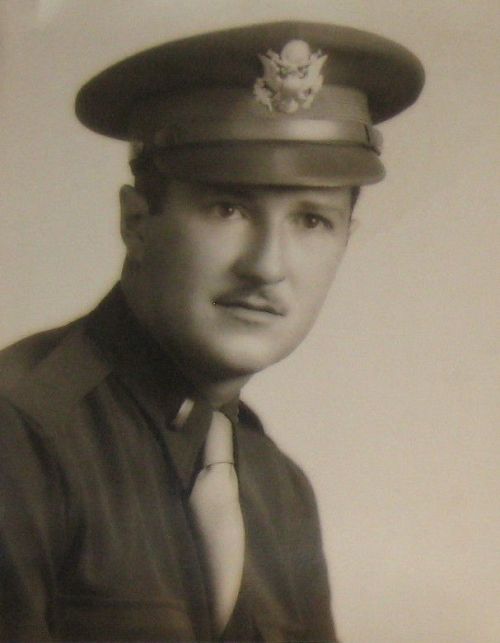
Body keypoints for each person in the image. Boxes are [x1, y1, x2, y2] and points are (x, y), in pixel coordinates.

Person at [0, 21, 424, 642]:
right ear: (137, 223)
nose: (267, 266)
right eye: (228, 209)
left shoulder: (279, 490)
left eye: (312, 220)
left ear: (345, 241)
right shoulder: (19, 436)